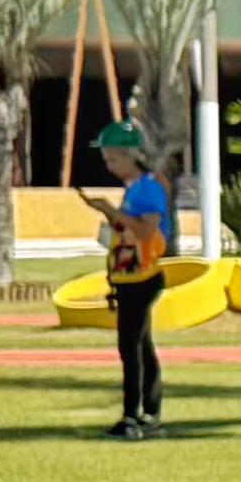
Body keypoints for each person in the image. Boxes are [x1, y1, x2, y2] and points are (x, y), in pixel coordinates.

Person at [78, 123, 175, 439]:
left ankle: (133, 416)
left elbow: (146, 230)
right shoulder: (135, 189)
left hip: (142, 279)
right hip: (130, 278)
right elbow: (129, 228)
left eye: (113, 159)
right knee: (140, 346)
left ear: (130, 156)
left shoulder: (148, 189)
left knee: (131, 346)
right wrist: (107, 213)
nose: (109, 165)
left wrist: (111, 210)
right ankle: (148, 413)